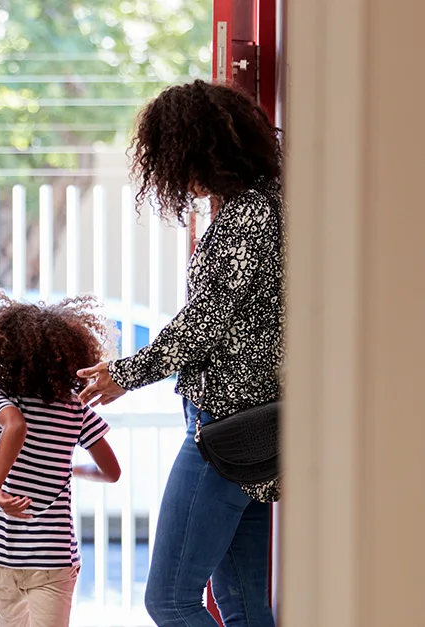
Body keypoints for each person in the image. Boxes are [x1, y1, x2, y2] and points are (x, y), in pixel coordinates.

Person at [77, 80, 284, 627]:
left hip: (227, 430)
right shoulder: (267, 207)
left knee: (168, 599)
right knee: (243, 606)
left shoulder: (249, 217)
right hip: (253, 426)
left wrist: (126, 373)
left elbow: (207, 322)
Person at [0, 296, 122, 627]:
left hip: (2, 551)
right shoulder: (75, 408)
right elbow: (112, 472)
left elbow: (15, 424)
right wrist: (71, 468)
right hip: (54, 556)